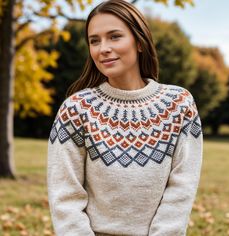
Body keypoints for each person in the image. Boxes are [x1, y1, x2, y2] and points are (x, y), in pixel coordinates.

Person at [47, 0, 203, 235]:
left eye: (115, 36)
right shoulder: (76, 109)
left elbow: (182, 188)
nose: (103, 48)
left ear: (139, 42)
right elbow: (65, 196)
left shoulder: (179, 104)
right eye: (94, 40)